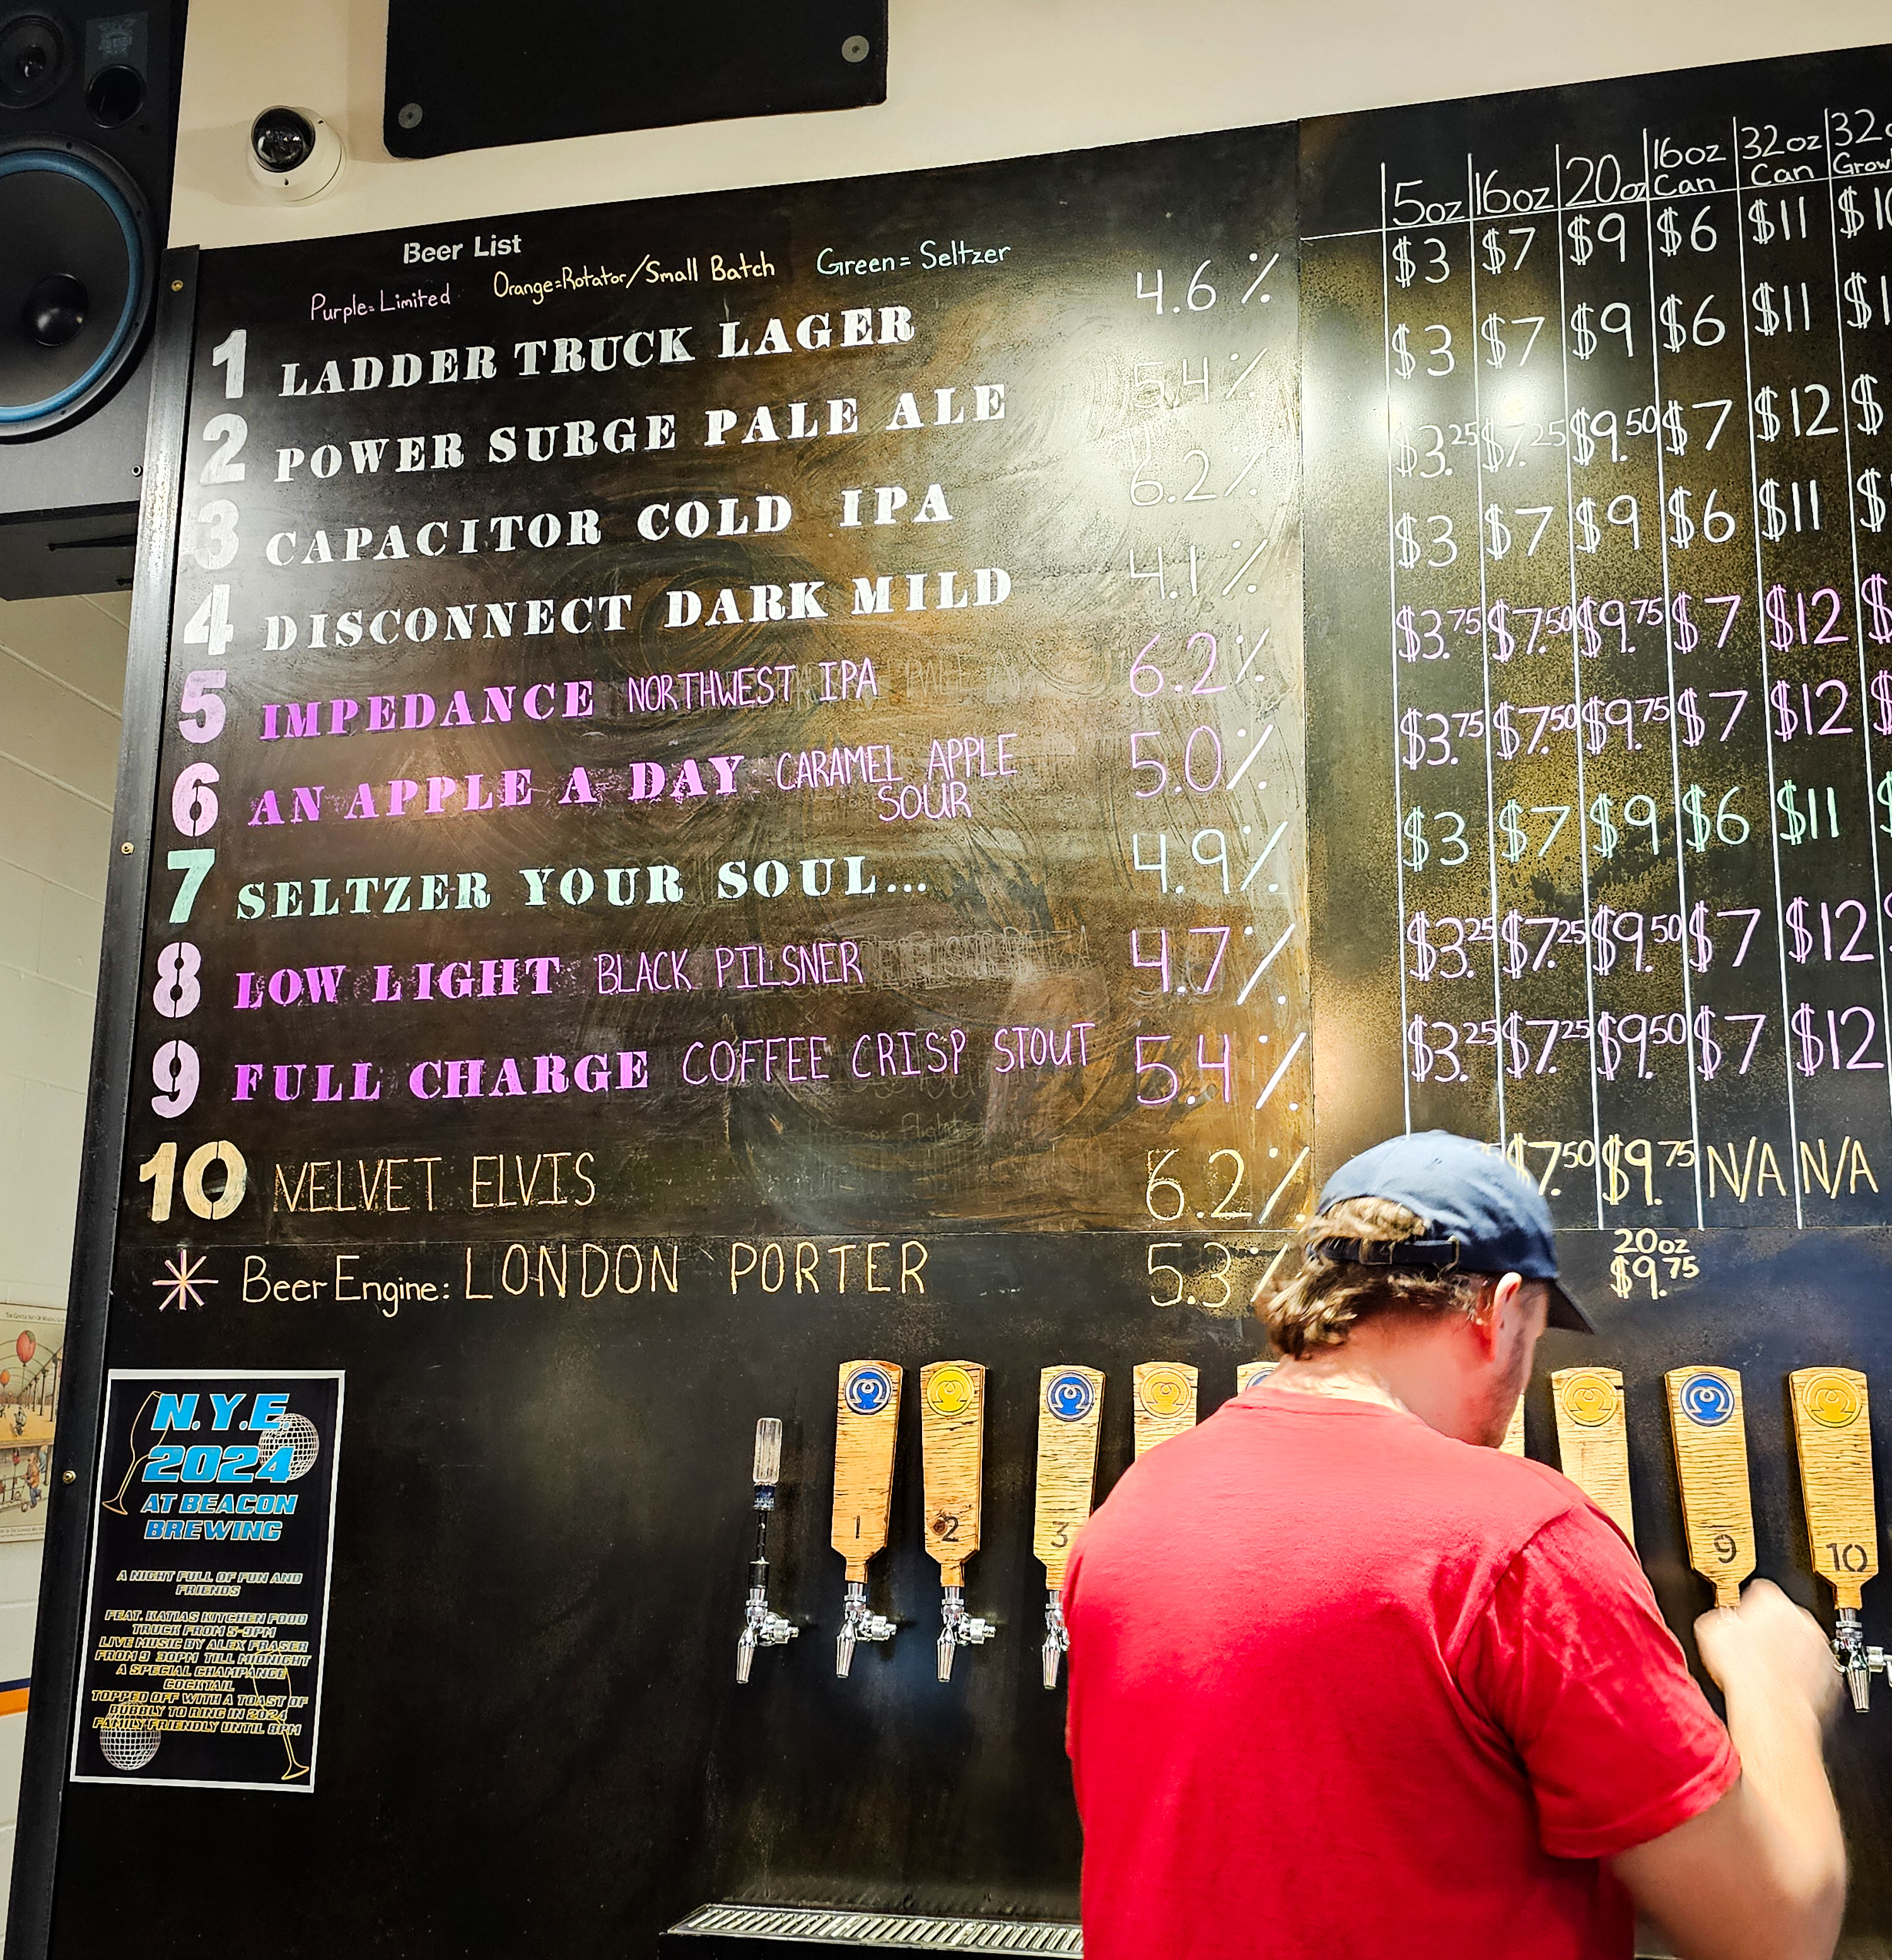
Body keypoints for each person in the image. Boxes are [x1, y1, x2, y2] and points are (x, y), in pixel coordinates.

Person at [1064, 1131, 1845, 1960]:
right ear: (1497, 1311)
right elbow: (1775, 1935)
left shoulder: (1130, 1511)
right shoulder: (1523, 1544)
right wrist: (1775, 1691)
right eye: (1533, 1340)